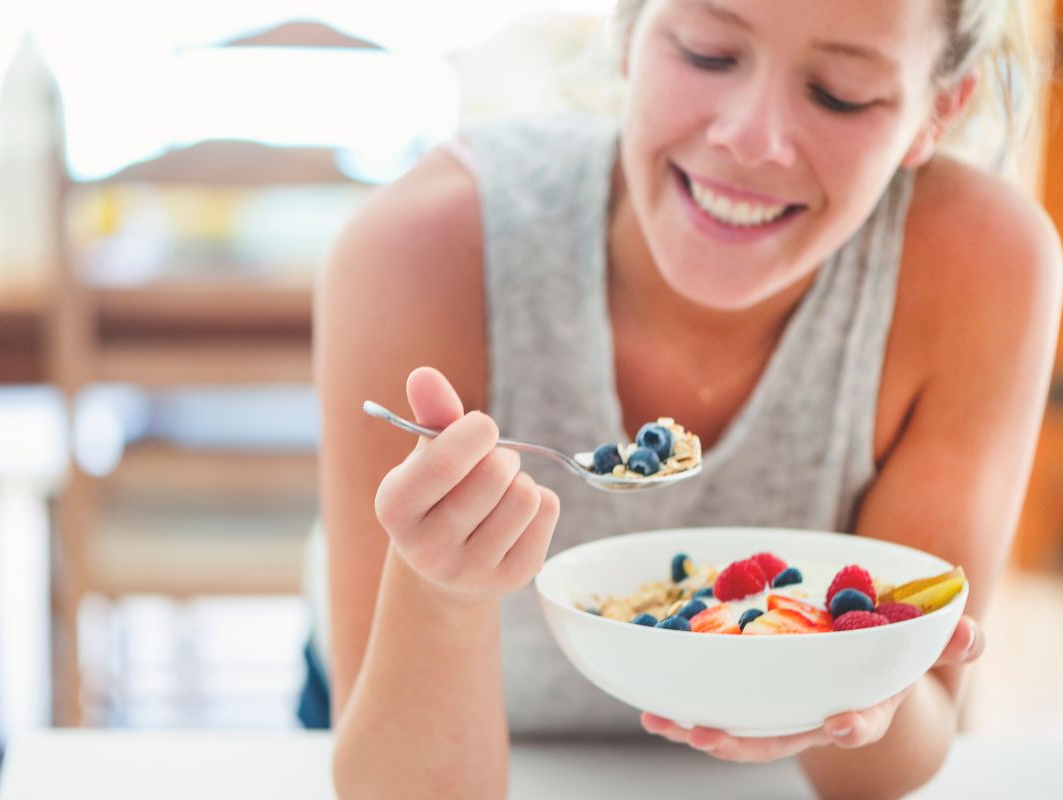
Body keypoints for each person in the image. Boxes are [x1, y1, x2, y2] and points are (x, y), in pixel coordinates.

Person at [307, 0, 1063, 797]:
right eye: (707, 54)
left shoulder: (983, 267)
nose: (750, 137)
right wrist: (440, 595)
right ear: (628, 32)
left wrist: (858, 679)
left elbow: (890, 766)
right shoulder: (425, 248)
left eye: (840, 92)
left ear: (937, 111)